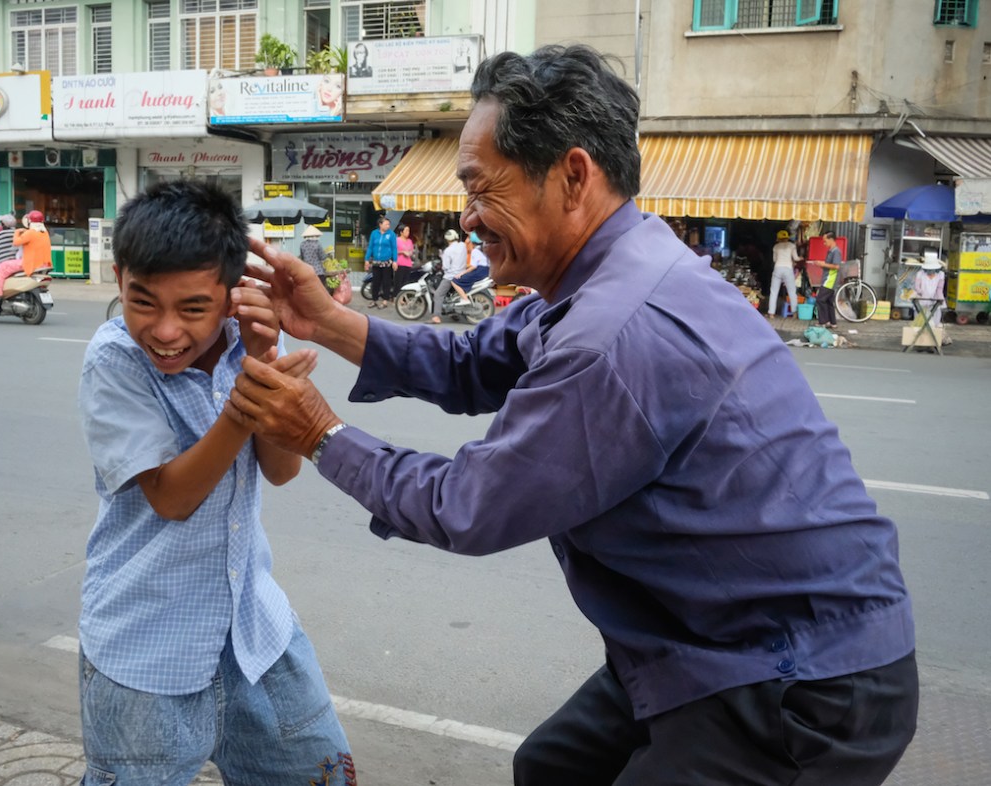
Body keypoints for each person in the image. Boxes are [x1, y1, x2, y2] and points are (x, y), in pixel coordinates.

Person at [224, 44, 917, 786]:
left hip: (799, 675)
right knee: (550, 767)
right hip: (702, 640)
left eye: (481, 188)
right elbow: (472, 362)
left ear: (574, 176)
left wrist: (318, 433)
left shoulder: (612, 334)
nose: (467, 215)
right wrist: (328, 321)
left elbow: (468, 506)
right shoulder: (615, 265)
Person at [77, 179, 354, 785]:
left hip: (254, 630)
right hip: (146, 650)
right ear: (119, 279)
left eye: (192, 309)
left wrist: (262, 360)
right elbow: (171, 497)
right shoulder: (114, 359)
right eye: (143, 302)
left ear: (232, 297)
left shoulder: (248, 341)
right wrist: (246, 402)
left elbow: (280, 470)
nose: (165, 330)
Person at [0, 210, 51, 300]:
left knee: (2, 266)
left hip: (30, 263)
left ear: (30, 221)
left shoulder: (30, 233)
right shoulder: (45, 233)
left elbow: (16, 242)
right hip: (43, 264)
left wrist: (17, 232)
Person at [431, 228, 467, 324]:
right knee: (452, 295)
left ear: (447, 239)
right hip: (462, 274)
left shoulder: (448, 251)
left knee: (438, 294)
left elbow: (446, 267)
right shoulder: (463, 246)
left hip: (451, 276)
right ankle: (454, 313)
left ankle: (436, 317)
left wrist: (442, 258)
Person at [767, 229, 801, 319]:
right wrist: (801, 258)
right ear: (787, 237)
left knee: (774, 292)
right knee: (792, 292)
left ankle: (771, 313)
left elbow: (774, 260)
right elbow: (796, 258)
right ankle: (794, 313)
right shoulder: (792, 246)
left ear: (778, 238)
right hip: (788, 269)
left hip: (778, 268)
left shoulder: (776, 247)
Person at [365, 214, 397, 309]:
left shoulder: (391, 234)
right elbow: (370, 247)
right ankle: (374, 300)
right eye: (386, 224)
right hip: (376, 262)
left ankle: (385, 301)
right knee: (375, 281)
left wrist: (395, 261)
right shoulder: (374, 233)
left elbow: (394, 248)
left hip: (386, 262)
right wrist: (367, 260)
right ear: (380, 224)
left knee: (386, 282)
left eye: (389, 224)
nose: (388, 226)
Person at [450, 230, 490, 303]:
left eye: (468, 242)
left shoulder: (475, 251)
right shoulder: (483, 249)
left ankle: (465, 299)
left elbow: (474, 266)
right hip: (486, 271)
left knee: (454, 281)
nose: (467, 245)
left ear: (472, 243)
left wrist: (461, 273)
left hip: (479, 271)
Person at [811, 231, 841, 328]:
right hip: (828, 279)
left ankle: (823, 321)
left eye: (825, 241)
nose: (824, 243)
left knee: (820, 299)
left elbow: (836, 266)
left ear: (831, 239)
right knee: (828, 301)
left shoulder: (836, 251)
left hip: (830, 280)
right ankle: (833, 322)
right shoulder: (831, 251)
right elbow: (830, 265)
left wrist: (823, 264)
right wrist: (821, 264)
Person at [913, 255, 947, 331]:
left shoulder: (941, 274)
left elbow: (939, 289)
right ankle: (919, 332)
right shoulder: (920, 274)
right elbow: (917, 287)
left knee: (935, 318)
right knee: (920, 319)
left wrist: (940, 299)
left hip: (934, 297)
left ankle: (933, 331)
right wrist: (920, 293)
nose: (930, 272)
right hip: (921, 298)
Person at [393, 223, 416, 297]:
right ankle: (396, 296)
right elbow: (393, 251)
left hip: (408, 264)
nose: (408, 232)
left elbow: (411, 251)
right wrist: (402, 252)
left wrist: (410, 253)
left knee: (405, 282)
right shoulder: (397, 240)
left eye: (408, 231)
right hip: (399, 263)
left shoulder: (409, 241)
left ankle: (403, 297)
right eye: (406, 231)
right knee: (398, 281)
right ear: (401, 232)